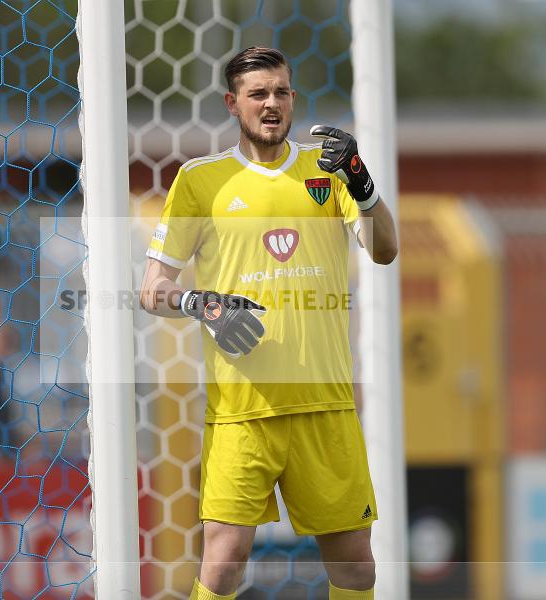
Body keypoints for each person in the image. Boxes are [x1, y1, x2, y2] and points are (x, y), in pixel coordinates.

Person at [139, 46, 398, 600]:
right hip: (242, 410)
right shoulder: (200, 181)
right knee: (224, 560)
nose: (271, 103)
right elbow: (152, 289)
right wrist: (201, 304)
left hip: (324, 404)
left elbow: (385, 250)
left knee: (356, 566)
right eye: (258, 94)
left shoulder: (326, 174)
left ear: (293, 99)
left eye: (281, 91)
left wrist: (362, 181)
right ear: (233, 104)